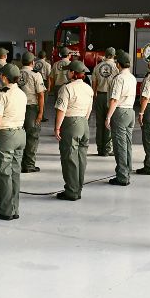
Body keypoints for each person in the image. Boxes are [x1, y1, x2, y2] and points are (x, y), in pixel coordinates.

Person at [0, 63, 27, 221]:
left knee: (3, 174)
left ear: (4, 77)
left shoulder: (1, 95)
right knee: (15, 173)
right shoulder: (22, 94)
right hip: (20, 135)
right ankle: (14, 208)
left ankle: (5, 210)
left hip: (5, 136)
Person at [54, 60, 94, 201]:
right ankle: (78, 188)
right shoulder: (88, 88)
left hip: (70, 123)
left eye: (68, 71)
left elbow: (61, 110)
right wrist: (83, 121)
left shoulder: (67, 88)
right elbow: (89, 109)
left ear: (72, 73)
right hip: (84, 123)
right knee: (81, 158)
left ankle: (71, 191)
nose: (66, 73)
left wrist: (57, 127)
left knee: (70, 158)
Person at [105, 52, 137, 186]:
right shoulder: (132, 77)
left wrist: (108, 116)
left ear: (118, 64)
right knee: (127, 144)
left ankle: (122, 176)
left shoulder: (119, 79)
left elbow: (114, 99)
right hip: (130, 112)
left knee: (120, 146)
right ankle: (127, 169)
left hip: (120, 112)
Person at [18, 51, 45, 173]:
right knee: (32, 136)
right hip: (31, 108)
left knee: (19, 136)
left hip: (17, 107)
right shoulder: (35, 75)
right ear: (32, 62)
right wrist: (40, 113)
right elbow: (40, 95)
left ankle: (18, 163)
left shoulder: (17, 73)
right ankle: (28, 165)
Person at [92, 47, 118, 157]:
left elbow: (94, 83)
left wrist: (94, 96)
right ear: (113, 55)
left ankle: (100, 148)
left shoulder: (97, 67)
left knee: (99, 123)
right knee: (109, 122)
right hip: (110, 97)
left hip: (100, 96)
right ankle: (107, 149)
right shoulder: (116, 68)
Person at [34, 51, 53, 122]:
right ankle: (42, 116)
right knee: (43, 100)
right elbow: (48, 77)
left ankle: (35, 114)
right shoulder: (47, 64)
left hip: (35, 81)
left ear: (38, 56)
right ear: (45, 57)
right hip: (43, 82)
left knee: (36, 98)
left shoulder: (34, 63)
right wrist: (49, 86)